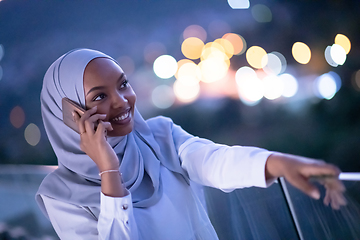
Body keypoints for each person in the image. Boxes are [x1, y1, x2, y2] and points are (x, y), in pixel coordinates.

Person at [36, 48, 346, 240]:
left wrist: (279, 163)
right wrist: (108, 171)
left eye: (123, 85)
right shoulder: (61, 197)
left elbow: (212, 160)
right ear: (69, 116)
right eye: (100, 97)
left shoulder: (159, 136)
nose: (122, 102)